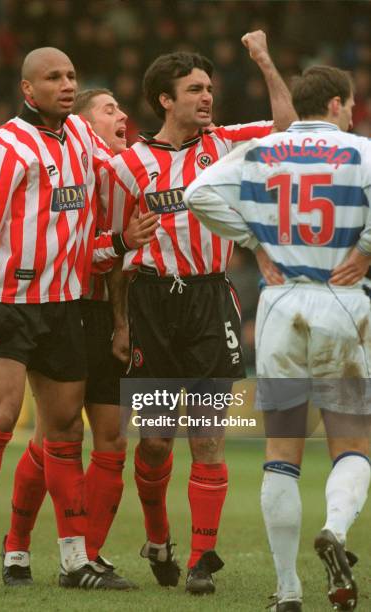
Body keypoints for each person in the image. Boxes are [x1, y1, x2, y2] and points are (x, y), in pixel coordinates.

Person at [98, 31, 296, 595]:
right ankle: (158, 537)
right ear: (165, 98)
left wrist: (263, 57)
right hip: (153, 303)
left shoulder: (228, 143)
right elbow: (114, 252)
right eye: (194, 89)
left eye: (208, 88)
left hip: (212, 299)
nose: (207, 97)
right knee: (157, 441)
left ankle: (201, 560)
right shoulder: (127, 166)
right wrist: (119, 321)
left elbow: (287, 127)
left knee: (208, 436)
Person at [0, 47, 146, 592]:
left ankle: (73, 561)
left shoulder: (82, 138)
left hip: (65, 309)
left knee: (62, 433)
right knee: (0, 418)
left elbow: (127, 175)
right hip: (11, 303)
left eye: (71, 76)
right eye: (53, 77)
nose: (65, 84)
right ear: (27, 90)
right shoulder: (3, 146)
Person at [185, 65, 371, 611]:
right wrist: (364, 251)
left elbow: (198, 194)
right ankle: (335, 529)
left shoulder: (261, 152)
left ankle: (288, 590)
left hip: (280, 302)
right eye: (352, 103)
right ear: (336, 104)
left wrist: (251, 242)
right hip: (344, 303)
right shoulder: (362, 153)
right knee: (353, 446)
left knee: (281, 453)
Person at [1, 88, 157, 589]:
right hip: (66, 310)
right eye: (109, 110)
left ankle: (86, 556)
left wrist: (124, 319)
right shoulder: (72, 173)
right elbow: (69, 253)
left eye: (121, 109)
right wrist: (119, 245)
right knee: (52, 438)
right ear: (82, 129)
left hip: (110, 316)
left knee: (111, 436)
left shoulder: (129, 177)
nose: (122, 117)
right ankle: (15, 547)